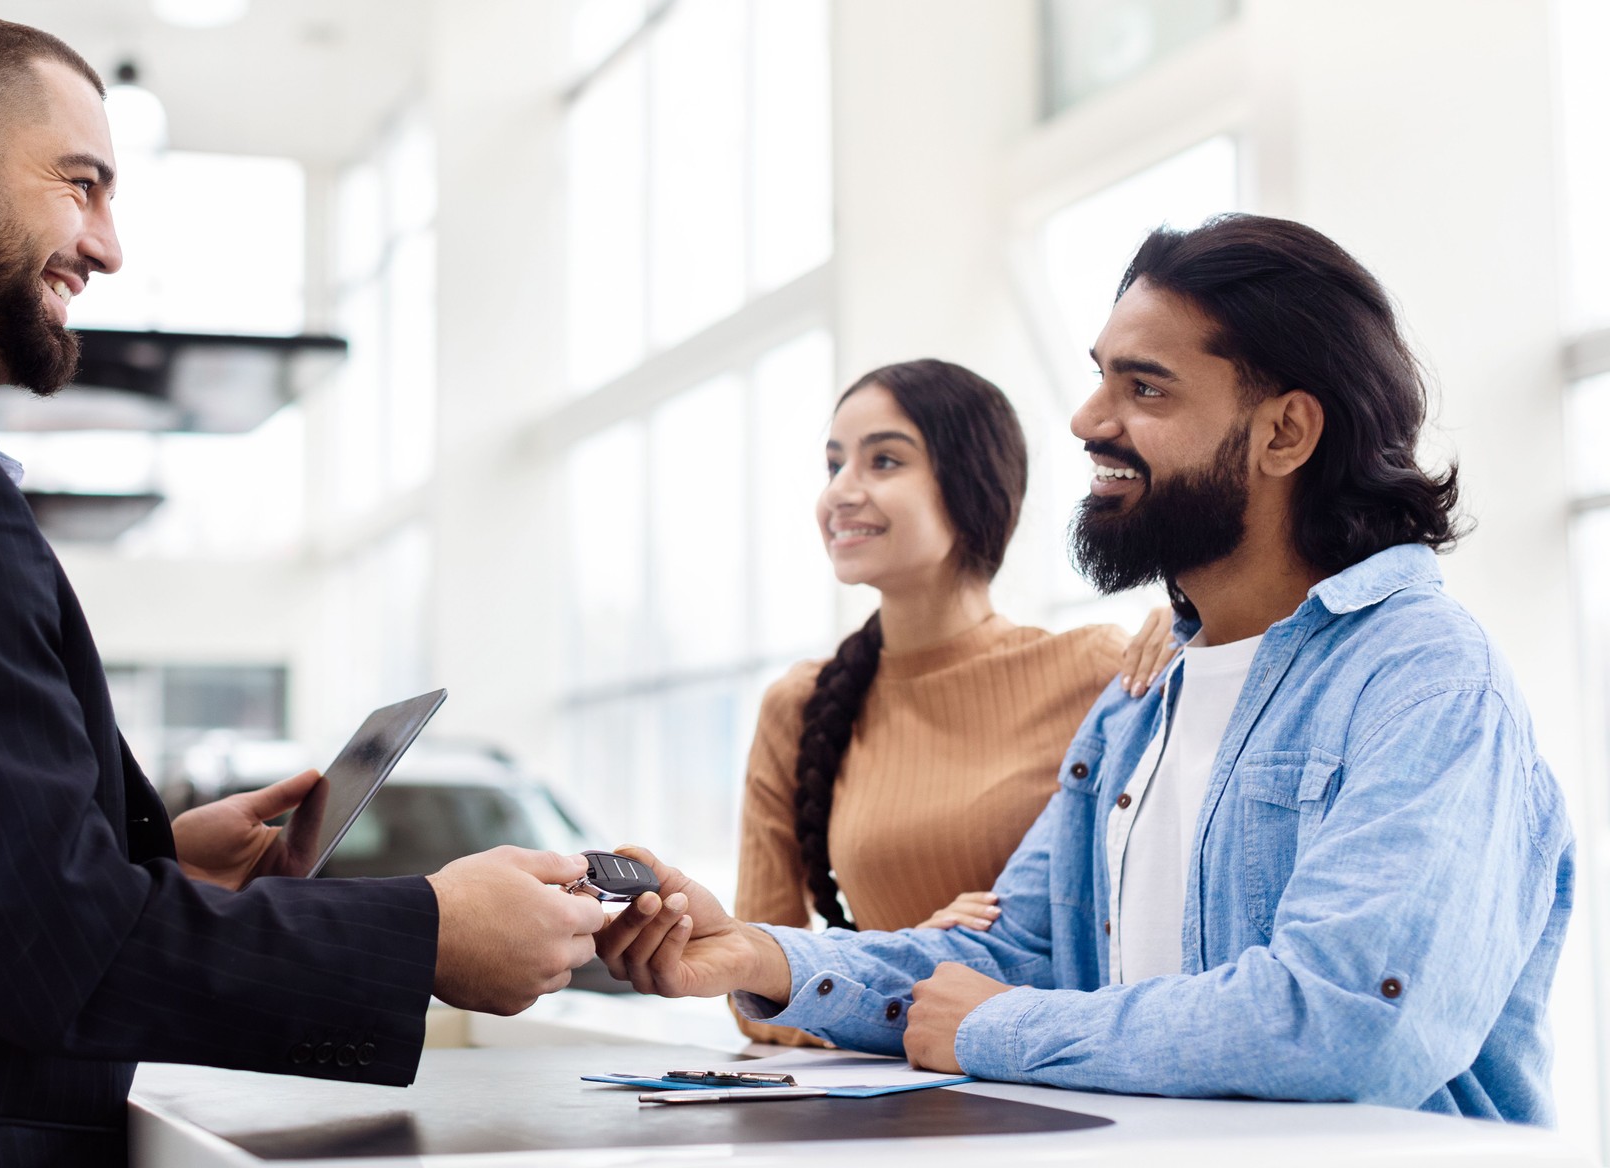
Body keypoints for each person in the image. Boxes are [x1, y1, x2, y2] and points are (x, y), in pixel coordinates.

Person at [0, 9, 601, 1168]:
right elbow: (52, 945)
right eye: (82, 185)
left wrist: (157, 861)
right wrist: (427, 933)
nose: (109, 247)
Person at [595, 214, 1572, 1125]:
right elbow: (1012, 950)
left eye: (1143, 388)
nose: (1085, 418)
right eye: (1101, 377)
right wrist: (761, 953)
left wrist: (998, 1026)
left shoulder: (1423, 675)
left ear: (1285, 432)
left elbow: (1352, 1016)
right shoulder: (1140, 705)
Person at [736, 360, 1175, 1046]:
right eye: (833, 465)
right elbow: (747, 989)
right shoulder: (797, 706)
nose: (840, 493)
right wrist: (908, 968)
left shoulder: (1097, 668)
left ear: (971, 485)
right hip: (884, 1109)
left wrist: (1192, 631)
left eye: (883, 461)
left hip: (1051, 1082)